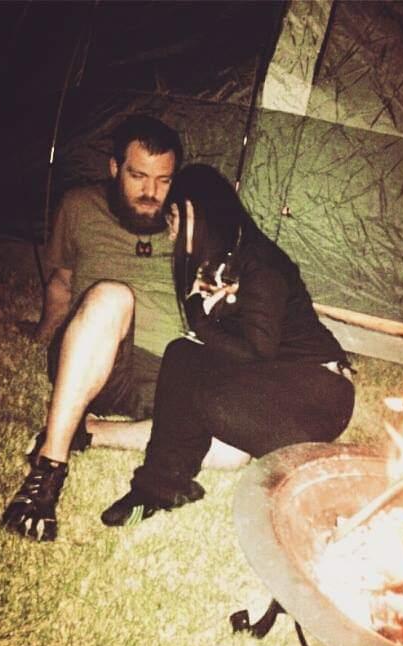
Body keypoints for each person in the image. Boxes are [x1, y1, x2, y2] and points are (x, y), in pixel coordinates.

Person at [100, 163, 356, 527]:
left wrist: (200, 319)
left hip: (320, 392)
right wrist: (201, 326)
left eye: (174, 219)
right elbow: (225, 347)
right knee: (181, 353)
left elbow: (256, 352)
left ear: (195, 214)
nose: (170, 232)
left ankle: (315, 478)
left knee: (211, 399)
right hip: (274, 377)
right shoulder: (219, 261)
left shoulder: (261, 265)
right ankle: (160, 485)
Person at [1, 115, 186, 542]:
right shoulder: (79, 205)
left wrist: (189, 243)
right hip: (98, 355)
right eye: (138, 176)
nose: (151, 192)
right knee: (110, 297)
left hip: (169, 371)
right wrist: (43, 335)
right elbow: (62, 281)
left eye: (163, 180)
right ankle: (48, 469)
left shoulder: (186, 219)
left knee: (237, 447)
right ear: (114, 168)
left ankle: (93, 433)